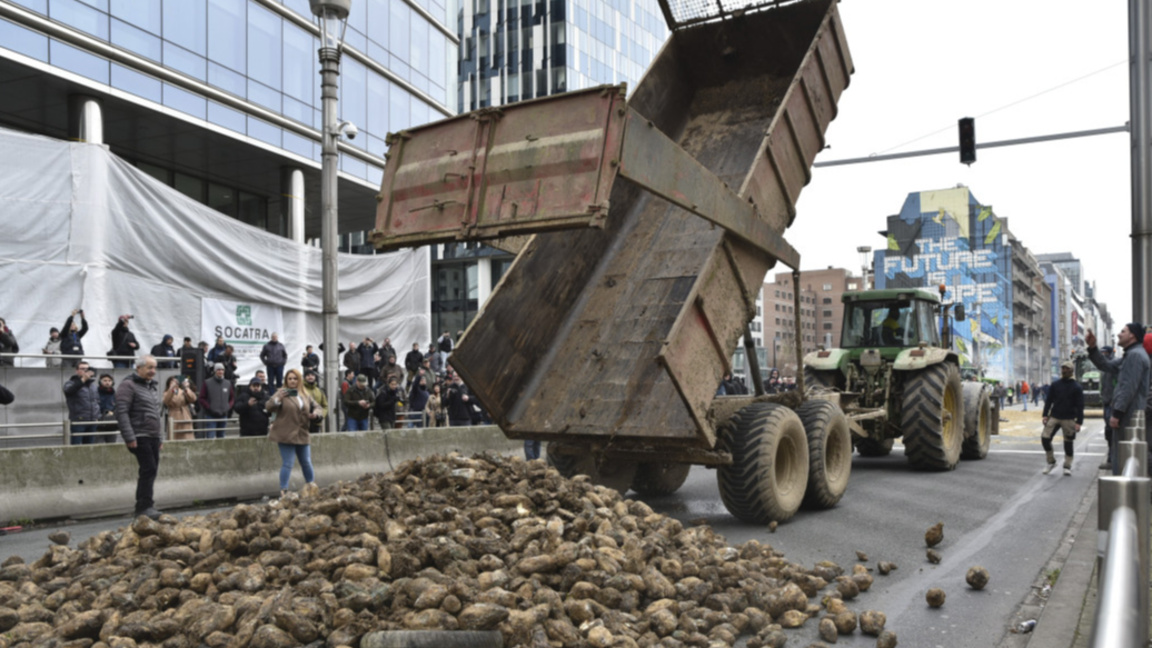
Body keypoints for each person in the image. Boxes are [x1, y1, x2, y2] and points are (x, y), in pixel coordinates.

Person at [1087, 325, 1151, 475]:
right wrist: (1092, 348)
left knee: (1123, 457)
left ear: (1132, 336)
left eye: (1123, 331)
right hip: (1128, 413)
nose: (1119, 334)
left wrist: (1117, 413)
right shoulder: (1130, 355)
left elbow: (1128, 387)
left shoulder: (1135, 356)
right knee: (1124, 456)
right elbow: (1106, 365)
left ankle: (1123, 492)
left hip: (1128, 415)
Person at [114, 355, 163, 520]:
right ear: (139, 368)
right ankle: (143, 507)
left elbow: (156, 414)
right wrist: (129, 436)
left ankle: (146, 505)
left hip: (152, 436)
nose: (153, 371)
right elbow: (122, 412)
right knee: (148, 469)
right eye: (149, 367)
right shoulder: (128, 385)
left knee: (151, 470)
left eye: (154, 368)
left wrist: (160, 437)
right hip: (139, 435)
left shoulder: (151, 387)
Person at [266, 368, 320, 497]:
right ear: (286, 380)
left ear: (299, 380)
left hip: (302, 433)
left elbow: (318, 406)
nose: (292, 381)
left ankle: (311, 486)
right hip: (285, 434)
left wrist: (315, 415)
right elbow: (269, 406)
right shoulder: (281, 393)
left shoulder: (305, 394)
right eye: (289, 379)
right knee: (288, 463)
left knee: (306, 462)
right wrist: (278, 398)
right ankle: (283, 490)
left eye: (295, 378)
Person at [1040, 361, 1084, 476]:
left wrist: (1079, 422)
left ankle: (1067, 466)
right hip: (1054, 416)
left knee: (1068, 442)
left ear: (1071, 370)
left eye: (1066, 369)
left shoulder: (1077, 387)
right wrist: (1045, 415)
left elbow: (1080, 406)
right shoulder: (1055, 385)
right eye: (1063, 368)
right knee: (1045, 438)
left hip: (1069, 418)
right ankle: (1051, 462)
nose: (1064, 370)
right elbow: (1049, 400)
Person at [1088, 345, 1119, 470]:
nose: (1103, 355)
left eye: (1105, 353)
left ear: (1110, 353)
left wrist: (1113, 400)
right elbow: (1104, 386)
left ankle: (1112, 460)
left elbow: (1117, 385)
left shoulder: (1113, 366)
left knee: (1112, 432)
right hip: (1107, 402)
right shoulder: (1105, 369)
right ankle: (1112, 459)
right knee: (1108, 432)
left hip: (1112, 403)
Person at [63, 361, 100, 445]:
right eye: (82, 369)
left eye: (87, 369)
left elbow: (97, 401)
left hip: (92, 420)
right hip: (78, 420)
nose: (85, 371)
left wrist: (97, 416)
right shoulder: (70, 383)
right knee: (76, 446)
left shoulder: (93, 385)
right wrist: (83, 379)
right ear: (77, 371)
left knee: (90, 446)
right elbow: (69, 391)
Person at [198, 363, 235, 439]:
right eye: (218, 370)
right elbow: (201, 398)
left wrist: (228, 406)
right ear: (215, 371)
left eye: (222, 370)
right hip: (211, 415)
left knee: (221, 438)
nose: (220, 371)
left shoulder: (228, 383)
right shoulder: (207, 383)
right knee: (210, 438)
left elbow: (232, 398)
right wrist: (209, 407)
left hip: (223, 415)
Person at [162, 375, 197, 441]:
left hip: (185, 414)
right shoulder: (167, 393)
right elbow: (166, 401)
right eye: (172, 382)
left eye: (175, 381)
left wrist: (187, 388)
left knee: (186, 436)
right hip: (174, 414)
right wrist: (171, 389)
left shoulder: (182, 391)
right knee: (174, 435)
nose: (174, 383)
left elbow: (193, 398)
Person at [301, 369, 328, 434]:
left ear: (315, 377)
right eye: (308, 375)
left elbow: (325, 406)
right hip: (302, 423)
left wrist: (320, 416)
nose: (310, 377)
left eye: (312, 375)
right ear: (304, 377)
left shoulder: (320, 391)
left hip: (316, 423)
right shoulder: (300, 390)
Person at [96, 373, 119, 443]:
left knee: (112, 445)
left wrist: (113, 413)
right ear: (100, 382)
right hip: (99, 423)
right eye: (105, 380)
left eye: (109, 380)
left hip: (112, 423)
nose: (107, 382)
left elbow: (118, 406)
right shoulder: (96, 393)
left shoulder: (115, 394)